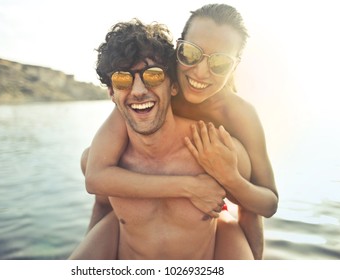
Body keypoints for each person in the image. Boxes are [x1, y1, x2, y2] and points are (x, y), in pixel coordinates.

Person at [72, 3, 278, 259]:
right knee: (87, 157)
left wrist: (230, 178)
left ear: (234, 66)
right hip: (152, 209)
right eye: (191, 54)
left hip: (213, 203)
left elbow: (262, 205)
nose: (201, 72)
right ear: (178, 49)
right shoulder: (150, 89)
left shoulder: (237, 113)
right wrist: (189, 187)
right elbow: (95, 176)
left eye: (220, 64)